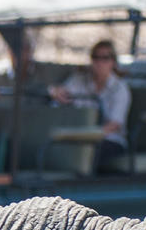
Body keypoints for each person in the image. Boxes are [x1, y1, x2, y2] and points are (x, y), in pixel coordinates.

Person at [48, 39, 130, 173]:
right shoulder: (79, 80)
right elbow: (61, 94)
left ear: (113, 62)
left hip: (108, 140)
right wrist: (54, 92)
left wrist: (89, 135)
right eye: (95, 57)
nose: (99, 63)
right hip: (78, 136)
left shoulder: (120, 89)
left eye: (105, 58)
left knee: (88, 154)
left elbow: (114, 125)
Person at [0, 34, 69, 99]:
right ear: (9, 51)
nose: (20, 54)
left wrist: (59, 90)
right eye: (15, 49)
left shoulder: (46, 71)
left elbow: (76, 71)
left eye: (24, 49)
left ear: (31, 51)